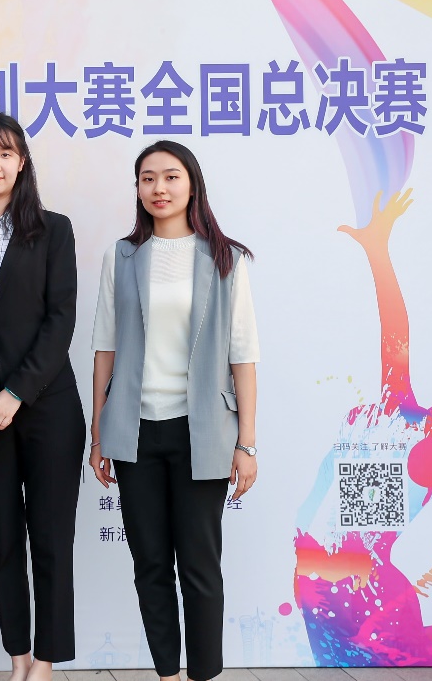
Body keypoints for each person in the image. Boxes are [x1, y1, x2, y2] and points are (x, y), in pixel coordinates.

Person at [89, 140, 259, 681]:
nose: (159, 188)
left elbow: (243, 355)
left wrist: (247, 443)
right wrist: (99, 434)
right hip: (135, 432)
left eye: (170, 177)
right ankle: (168, 674)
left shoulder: (225, 257)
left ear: (192, 184)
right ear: (138, 189)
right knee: (150, 565)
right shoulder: (121, 256)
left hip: (202, 432)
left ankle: (203, 674)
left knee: (200, 566)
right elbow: (104, 347)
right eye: (147, 178)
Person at [0, 113, 83, 681]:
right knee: (2, 540)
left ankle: (45, 662)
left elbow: (60, 321)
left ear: (22, 162)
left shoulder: (53, 229)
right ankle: (18, 658)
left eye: (5, 153)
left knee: (50, 540)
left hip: (48, 408)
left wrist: (16, 393)